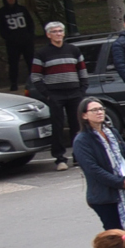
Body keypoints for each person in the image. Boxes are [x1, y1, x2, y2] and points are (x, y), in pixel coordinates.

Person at [72, 97, 125, 231]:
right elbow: (93, 169)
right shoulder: (82, 140)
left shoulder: (112, 132)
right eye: (94, 110)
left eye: (101, 109)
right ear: (84, 115)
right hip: (104, 196)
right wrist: (120, 183)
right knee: (115, 235)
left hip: (123, 192)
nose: (99, 112)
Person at [29, 22, 87, 169]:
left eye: (60, 31)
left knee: (77, 125)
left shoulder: (73, 50)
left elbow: (82, 72)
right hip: (55, 95)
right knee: (58, 126)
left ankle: (78, 156)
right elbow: (35, 76)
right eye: (54, 31)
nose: (58, 34)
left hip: (74, 93)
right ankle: (60, 158)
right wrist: (47, 94)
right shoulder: (42, 53)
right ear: (48, 35)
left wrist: (82, 90)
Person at [0, 0, 34, 89]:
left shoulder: (22, 9)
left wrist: (29, 36)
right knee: (13, 63)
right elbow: (1, 28)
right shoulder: (1, 12)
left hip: (26, 41)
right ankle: (13, 83)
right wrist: (8, 38)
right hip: (12, 43)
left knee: (30, 61)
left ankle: (33, 81)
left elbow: (30, 23)